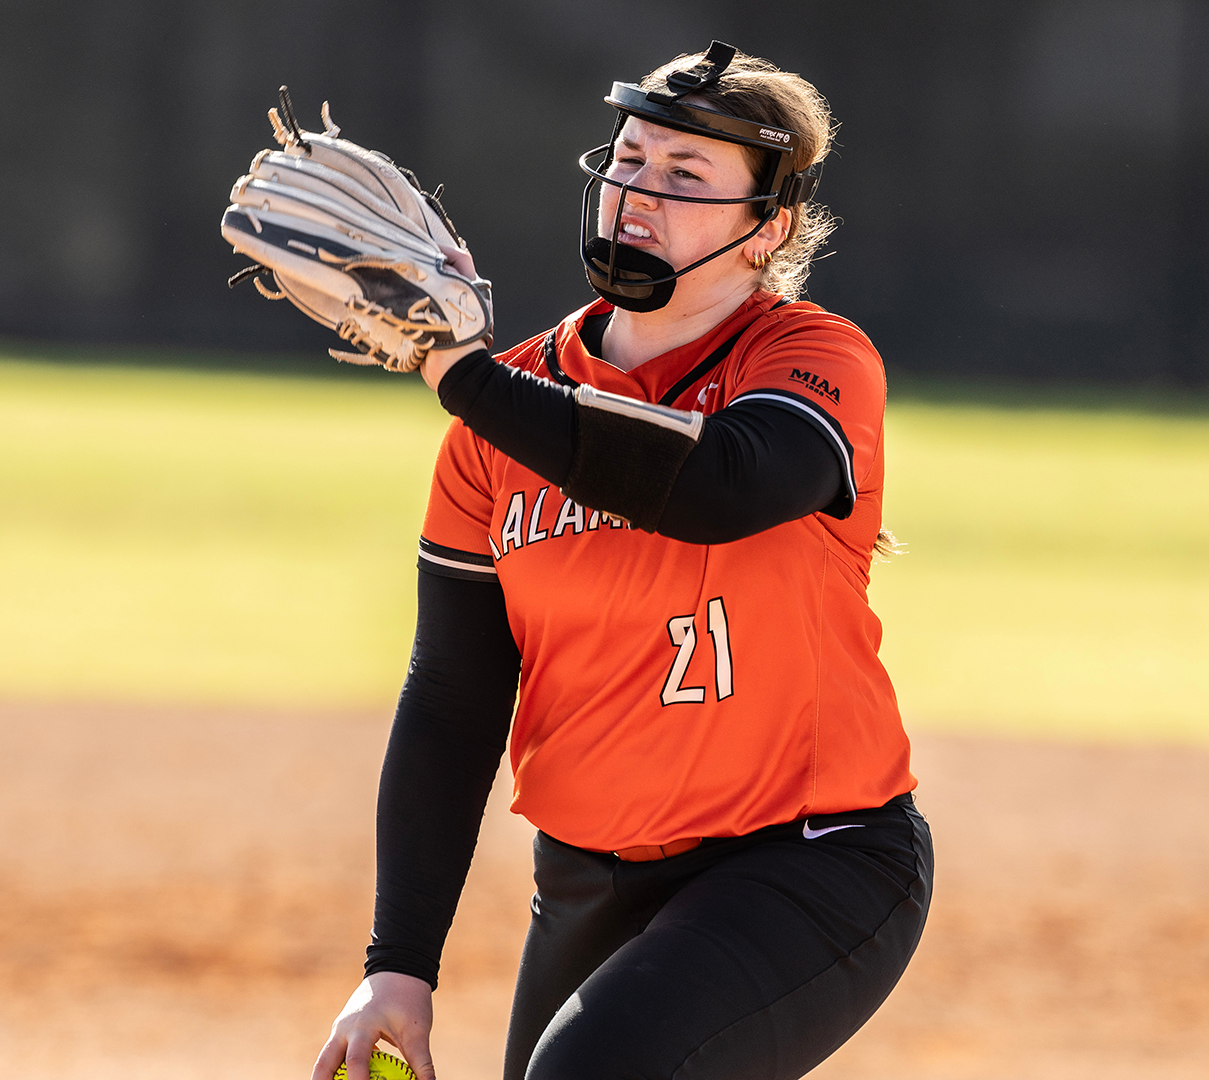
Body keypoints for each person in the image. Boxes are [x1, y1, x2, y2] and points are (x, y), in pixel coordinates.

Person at [311, 42, 931, 1080]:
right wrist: (398, 965)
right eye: (631, 159)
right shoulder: (500, 411)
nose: (640, 193)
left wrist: (457, 375)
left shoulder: (810, 360)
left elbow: (716, 485)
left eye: (687, 177)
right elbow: (457, 694)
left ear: (767, 227)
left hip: (808, 860)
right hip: (589, 881)